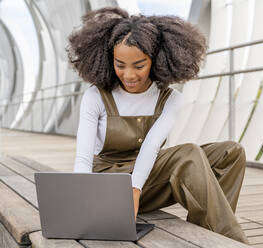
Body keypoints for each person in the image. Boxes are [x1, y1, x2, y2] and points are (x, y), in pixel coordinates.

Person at [68, 7, 249, 245]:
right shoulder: (96, 96)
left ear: (156, 60)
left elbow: (151, 147)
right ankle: (233, 241)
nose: (129, 75)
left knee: (231, 153)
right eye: (119, 64)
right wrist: (81, 201)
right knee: (188, 154)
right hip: (108, 185)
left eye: (139, 65)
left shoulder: (170, 98)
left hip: (144, 183)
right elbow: (83, 158)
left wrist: (134, 189)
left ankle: (206, 231)